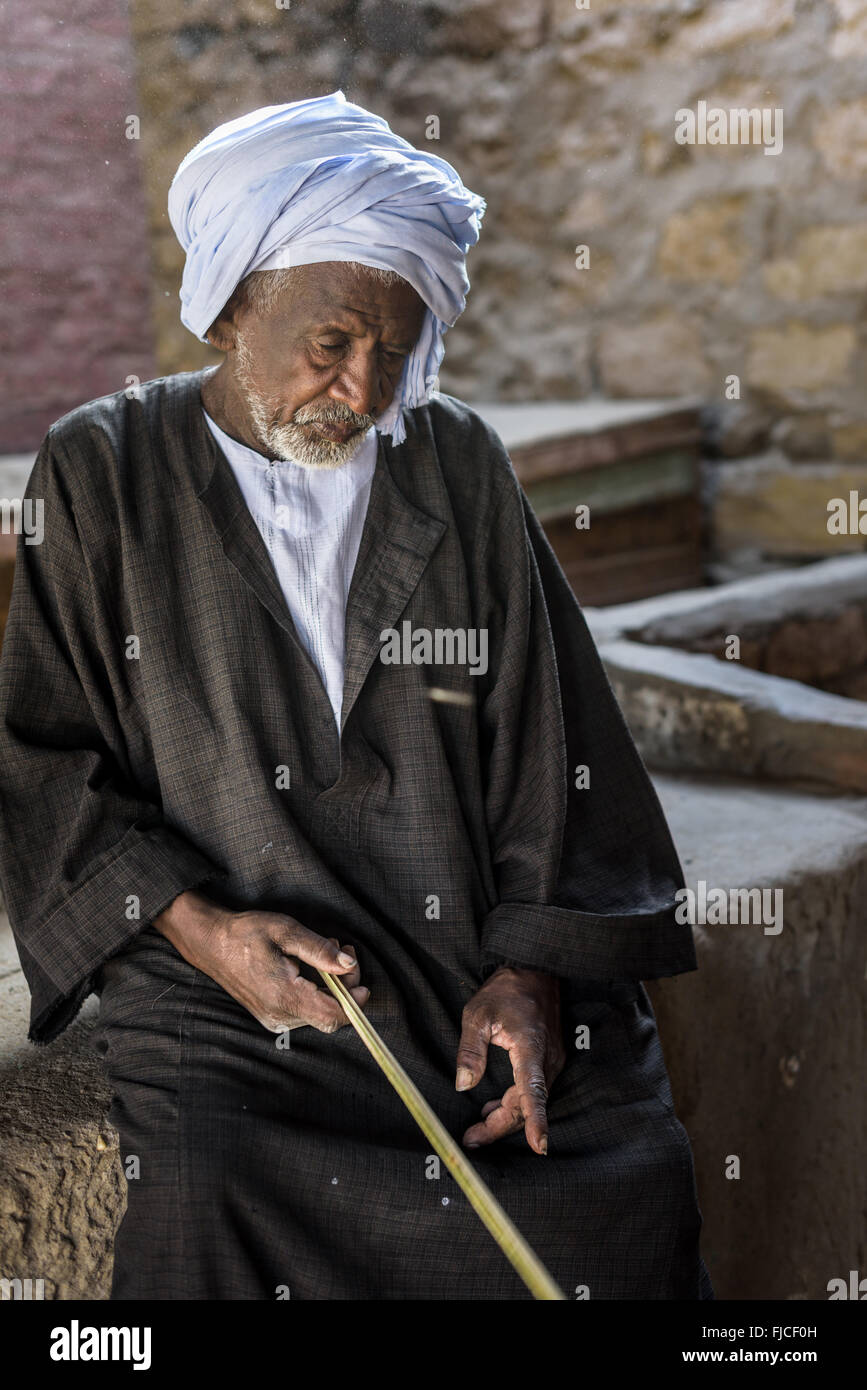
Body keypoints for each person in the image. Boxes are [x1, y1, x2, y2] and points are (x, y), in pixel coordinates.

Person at [0, 91, 712, 1300]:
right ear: (231, 306)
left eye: (394, 350)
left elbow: (560, 745)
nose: (364, 389)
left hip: (461, 957)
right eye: (331, 344)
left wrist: (529, 972)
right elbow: (44, 761)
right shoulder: (101, 471)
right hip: (230, 985)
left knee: (611, 1188)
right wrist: (198, 928)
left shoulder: (459, 463)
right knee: (209, 1185)